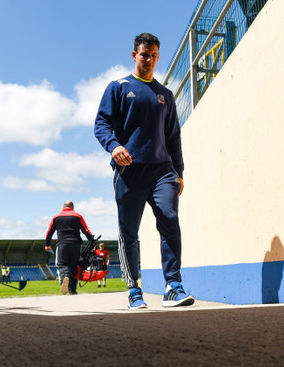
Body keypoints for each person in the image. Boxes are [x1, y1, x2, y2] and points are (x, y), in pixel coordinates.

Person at [94, 33, 195, 309]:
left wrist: (179, 172)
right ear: (134, 56)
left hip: (163, 171)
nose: (148, 59)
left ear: (157, 56)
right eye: (143, 55)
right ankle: (134, 289)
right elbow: (101, 124)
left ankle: (173, 286)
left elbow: (173, 137)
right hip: (129, 171)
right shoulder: (118, 87)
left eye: (153, 55)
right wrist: (113, 146)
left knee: (170, 220)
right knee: (129, 232)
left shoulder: (165, 95)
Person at [45, 201, 94, 295]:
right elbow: (86, 230)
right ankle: (72, 290)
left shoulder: (56, 217)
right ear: (72, 207)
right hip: (75, 244)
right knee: (74, 266)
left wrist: (47, 244)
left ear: (63, 207)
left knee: (62, 264)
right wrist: (91, 242)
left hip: (62, 244)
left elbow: (49, 232)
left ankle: (65, 277)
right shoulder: (77, 216)